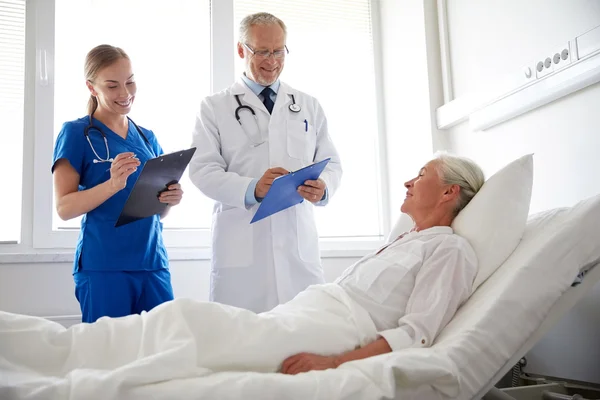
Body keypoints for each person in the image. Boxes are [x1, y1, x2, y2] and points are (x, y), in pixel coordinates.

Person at [2, 153, 485, 384]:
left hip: (332, 329)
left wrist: (334, 363)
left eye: (420, 175)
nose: (408, 179)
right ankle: (50, 351)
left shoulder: (449, 251)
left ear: (449, 193)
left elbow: (417, 333)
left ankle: (66, 374)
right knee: (181, 319)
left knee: (188, 323)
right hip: (307, 311)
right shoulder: (405, 240)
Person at [189, 12, 343, 313]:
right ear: (241, 50)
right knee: (242, 343)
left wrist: (324, 187)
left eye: (278, 51)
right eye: (262, 51)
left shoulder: (307, 105)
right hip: (242, 245)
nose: (271, 60)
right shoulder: (214, 107)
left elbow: (332, 162)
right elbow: (202, 170)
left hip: (297, 247)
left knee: (303, 334)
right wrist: (252, 188)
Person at [52, 44, 184, 323]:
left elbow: (157, 212)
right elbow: (64, 207)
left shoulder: (147, 138)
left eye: (130, 82)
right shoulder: (77, 134)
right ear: (91, 87)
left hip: (152, 263)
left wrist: (169, 199)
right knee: (107, 357)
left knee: (163, 352)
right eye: (112, 86)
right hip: (104, 266)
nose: (125, 94)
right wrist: (112, 185)